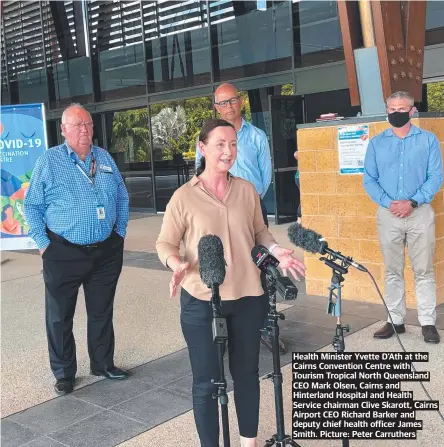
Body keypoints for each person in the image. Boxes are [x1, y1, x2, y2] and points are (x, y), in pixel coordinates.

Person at [157, 119, 306, 447]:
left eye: (233, 144)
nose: (228, 151)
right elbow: (165, 244)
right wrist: (177, 263)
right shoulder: (184, 197)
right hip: (201, 300)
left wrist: (277, 249)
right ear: (203, 148)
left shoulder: (246, 190)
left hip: (248, 296)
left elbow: (259, 233)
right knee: (207, 383)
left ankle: (247, 443)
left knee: (247, 375)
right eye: (221, 144)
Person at [24, 103, 130, 396]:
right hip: (63, 252)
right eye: (77, 125)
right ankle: (64, 373)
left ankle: (103, 363)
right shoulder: (49, 161)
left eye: (88, 125)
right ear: (64, 130)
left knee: (101, 312)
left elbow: (121, 195)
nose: (84, 130)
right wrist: (44, 245)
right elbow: (31, 206)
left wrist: (119, 233)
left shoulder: (104, 157)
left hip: (105, 252)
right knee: (59, 316)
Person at [195, 83, 286, 354]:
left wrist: (248, 199)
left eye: (232, 100)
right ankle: (221, 328)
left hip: (250, 209)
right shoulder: (206, 138)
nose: (228, 106)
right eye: (222, 103)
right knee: (220, 265)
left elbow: (265, 175)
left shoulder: (256, 136)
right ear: (216, 107)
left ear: (240, 102)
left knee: (260, 269)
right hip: (216, 209)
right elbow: (200, 174)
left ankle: (264, 326)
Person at [363, 91, 443, 344]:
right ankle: (395, 320)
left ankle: (428, 322)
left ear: (412, 111)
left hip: (419, 213)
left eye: (401, 109)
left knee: (423, 270)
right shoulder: (376, 143)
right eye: (391, 109)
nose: (396, 113)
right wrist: (390, 203)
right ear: (387, 111)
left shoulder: (428, 140)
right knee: (392, 271)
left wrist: (412, 202)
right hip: (388, 215)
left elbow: (435, 177)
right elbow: (369, 179)